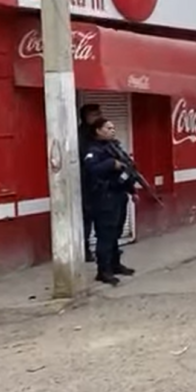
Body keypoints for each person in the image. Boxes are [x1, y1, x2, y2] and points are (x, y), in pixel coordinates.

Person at [82, 118, 136, 285]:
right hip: (104, 198)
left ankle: (115, 264)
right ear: (98, 130)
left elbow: (127, 168)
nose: (113, 130)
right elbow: (92, 169)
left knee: (116, 233)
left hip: (119, 195)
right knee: (105, 235)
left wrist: (132, 190)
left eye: (113, 127)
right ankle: (103, 270)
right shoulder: (93, 150)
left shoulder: (114, 147)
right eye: (108, 128)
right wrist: (111, 164)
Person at [78, 104, 102, 262]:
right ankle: (85, 248)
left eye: (98, 114)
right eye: (94, 115)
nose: (97, 117)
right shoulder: (82, 135)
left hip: (98, 182)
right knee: (87, 217)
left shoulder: (99, 133)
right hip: (86, 182)